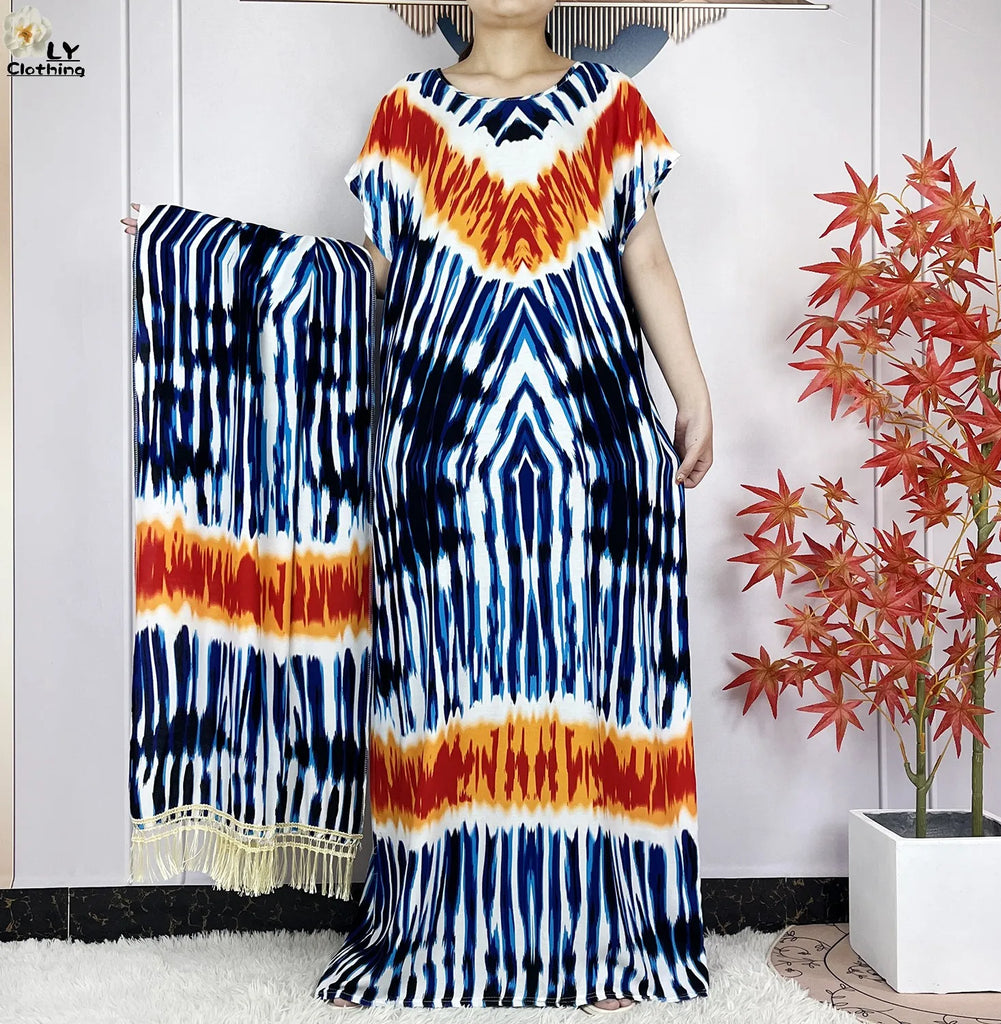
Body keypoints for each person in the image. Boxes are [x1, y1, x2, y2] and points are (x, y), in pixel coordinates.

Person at [122, 0, 713, 1008]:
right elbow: (371, 279)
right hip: (440, 464)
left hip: (597, 457)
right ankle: (445, 938)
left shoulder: (613, 104)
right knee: (447, 697)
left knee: (591, 692)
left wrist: (692, 391)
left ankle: (603, 942)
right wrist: (199, 254)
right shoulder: (407, 114)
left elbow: (644, 258)